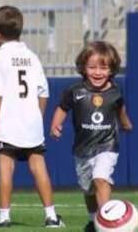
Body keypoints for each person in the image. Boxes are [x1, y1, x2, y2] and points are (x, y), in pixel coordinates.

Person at [0, 6, 64, 228]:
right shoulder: (32, 57)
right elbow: (43, 92)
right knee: (38, 166)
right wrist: (37, 117)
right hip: (31, 122)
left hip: (8, 122)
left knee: (5, 167)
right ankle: (51, 217)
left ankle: (3, 217)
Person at [49, 41, 133, 232]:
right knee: (88, 188)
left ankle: (106, 222)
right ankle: (93, 220)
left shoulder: (115, 91)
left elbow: (120, 109)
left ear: (111, 69)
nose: (97, 72)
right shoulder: (75, 91)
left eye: (103, 68)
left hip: (107, 145)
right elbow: (62, 108)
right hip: (82, 149)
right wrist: (56, 124)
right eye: (92, 67)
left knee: (100, 178)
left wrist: (126, 123)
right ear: (83, 68)